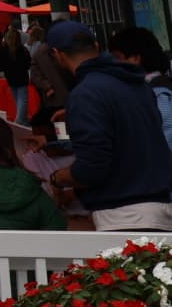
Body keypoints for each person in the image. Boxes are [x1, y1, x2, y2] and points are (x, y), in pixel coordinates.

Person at [45, 21, 172, 230]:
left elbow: (91, 166)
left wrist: (57, 178)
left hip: (124, 215)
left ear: (57, 54)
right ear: (96, 46)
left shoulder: (86, 93)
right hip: (159, 205)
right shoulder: (136, 84)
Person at [108, 25, 172, 155]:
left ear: (136, 59)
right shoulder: (155, 89)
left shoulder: (158, 96)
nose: (112, 64)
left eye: (117, 58)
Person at [0, 27, 33, 125]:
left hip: (10, 78)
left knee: (18, 102)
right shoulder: (22, 50)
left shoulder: (3, 50)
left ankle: (23, 122)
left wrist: (6, 67)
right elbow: (28, 63)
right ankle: (20, 122)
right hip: (22, 78)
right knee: (22, 102)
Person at [30, 37, 73, 114]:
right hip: (66, 92)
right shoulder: (59, 49)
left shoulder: (38, 53)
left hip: (52, 95)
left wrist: (47, 86)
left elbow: (34, 75)